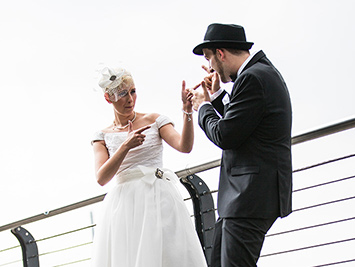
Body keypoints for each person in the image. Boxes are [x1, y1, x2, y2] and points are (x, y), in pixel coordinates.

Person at [190, 23, 293, 267]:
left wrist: (203, 107)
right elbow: (243, 123)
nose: (211, 66)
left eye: (209, 58)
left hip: (249, 197)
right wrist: (215, 98)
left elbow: (225, 135)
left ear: (221, 53)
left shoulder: (253, 78)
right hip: (243, 199)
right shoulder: (258, 74)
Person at [91, 67, 207, 267]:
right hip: (125, 206)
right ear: (108, 98)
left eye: (133, 91)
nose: (130, 99)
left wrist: (187, 110)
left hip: (159, 198)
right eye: (122, 94)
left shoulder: (153, 120)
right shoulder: (102, 135)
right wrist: (125, 146)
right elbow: (102, 178)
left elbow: (184, 146)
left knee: (170, 255)